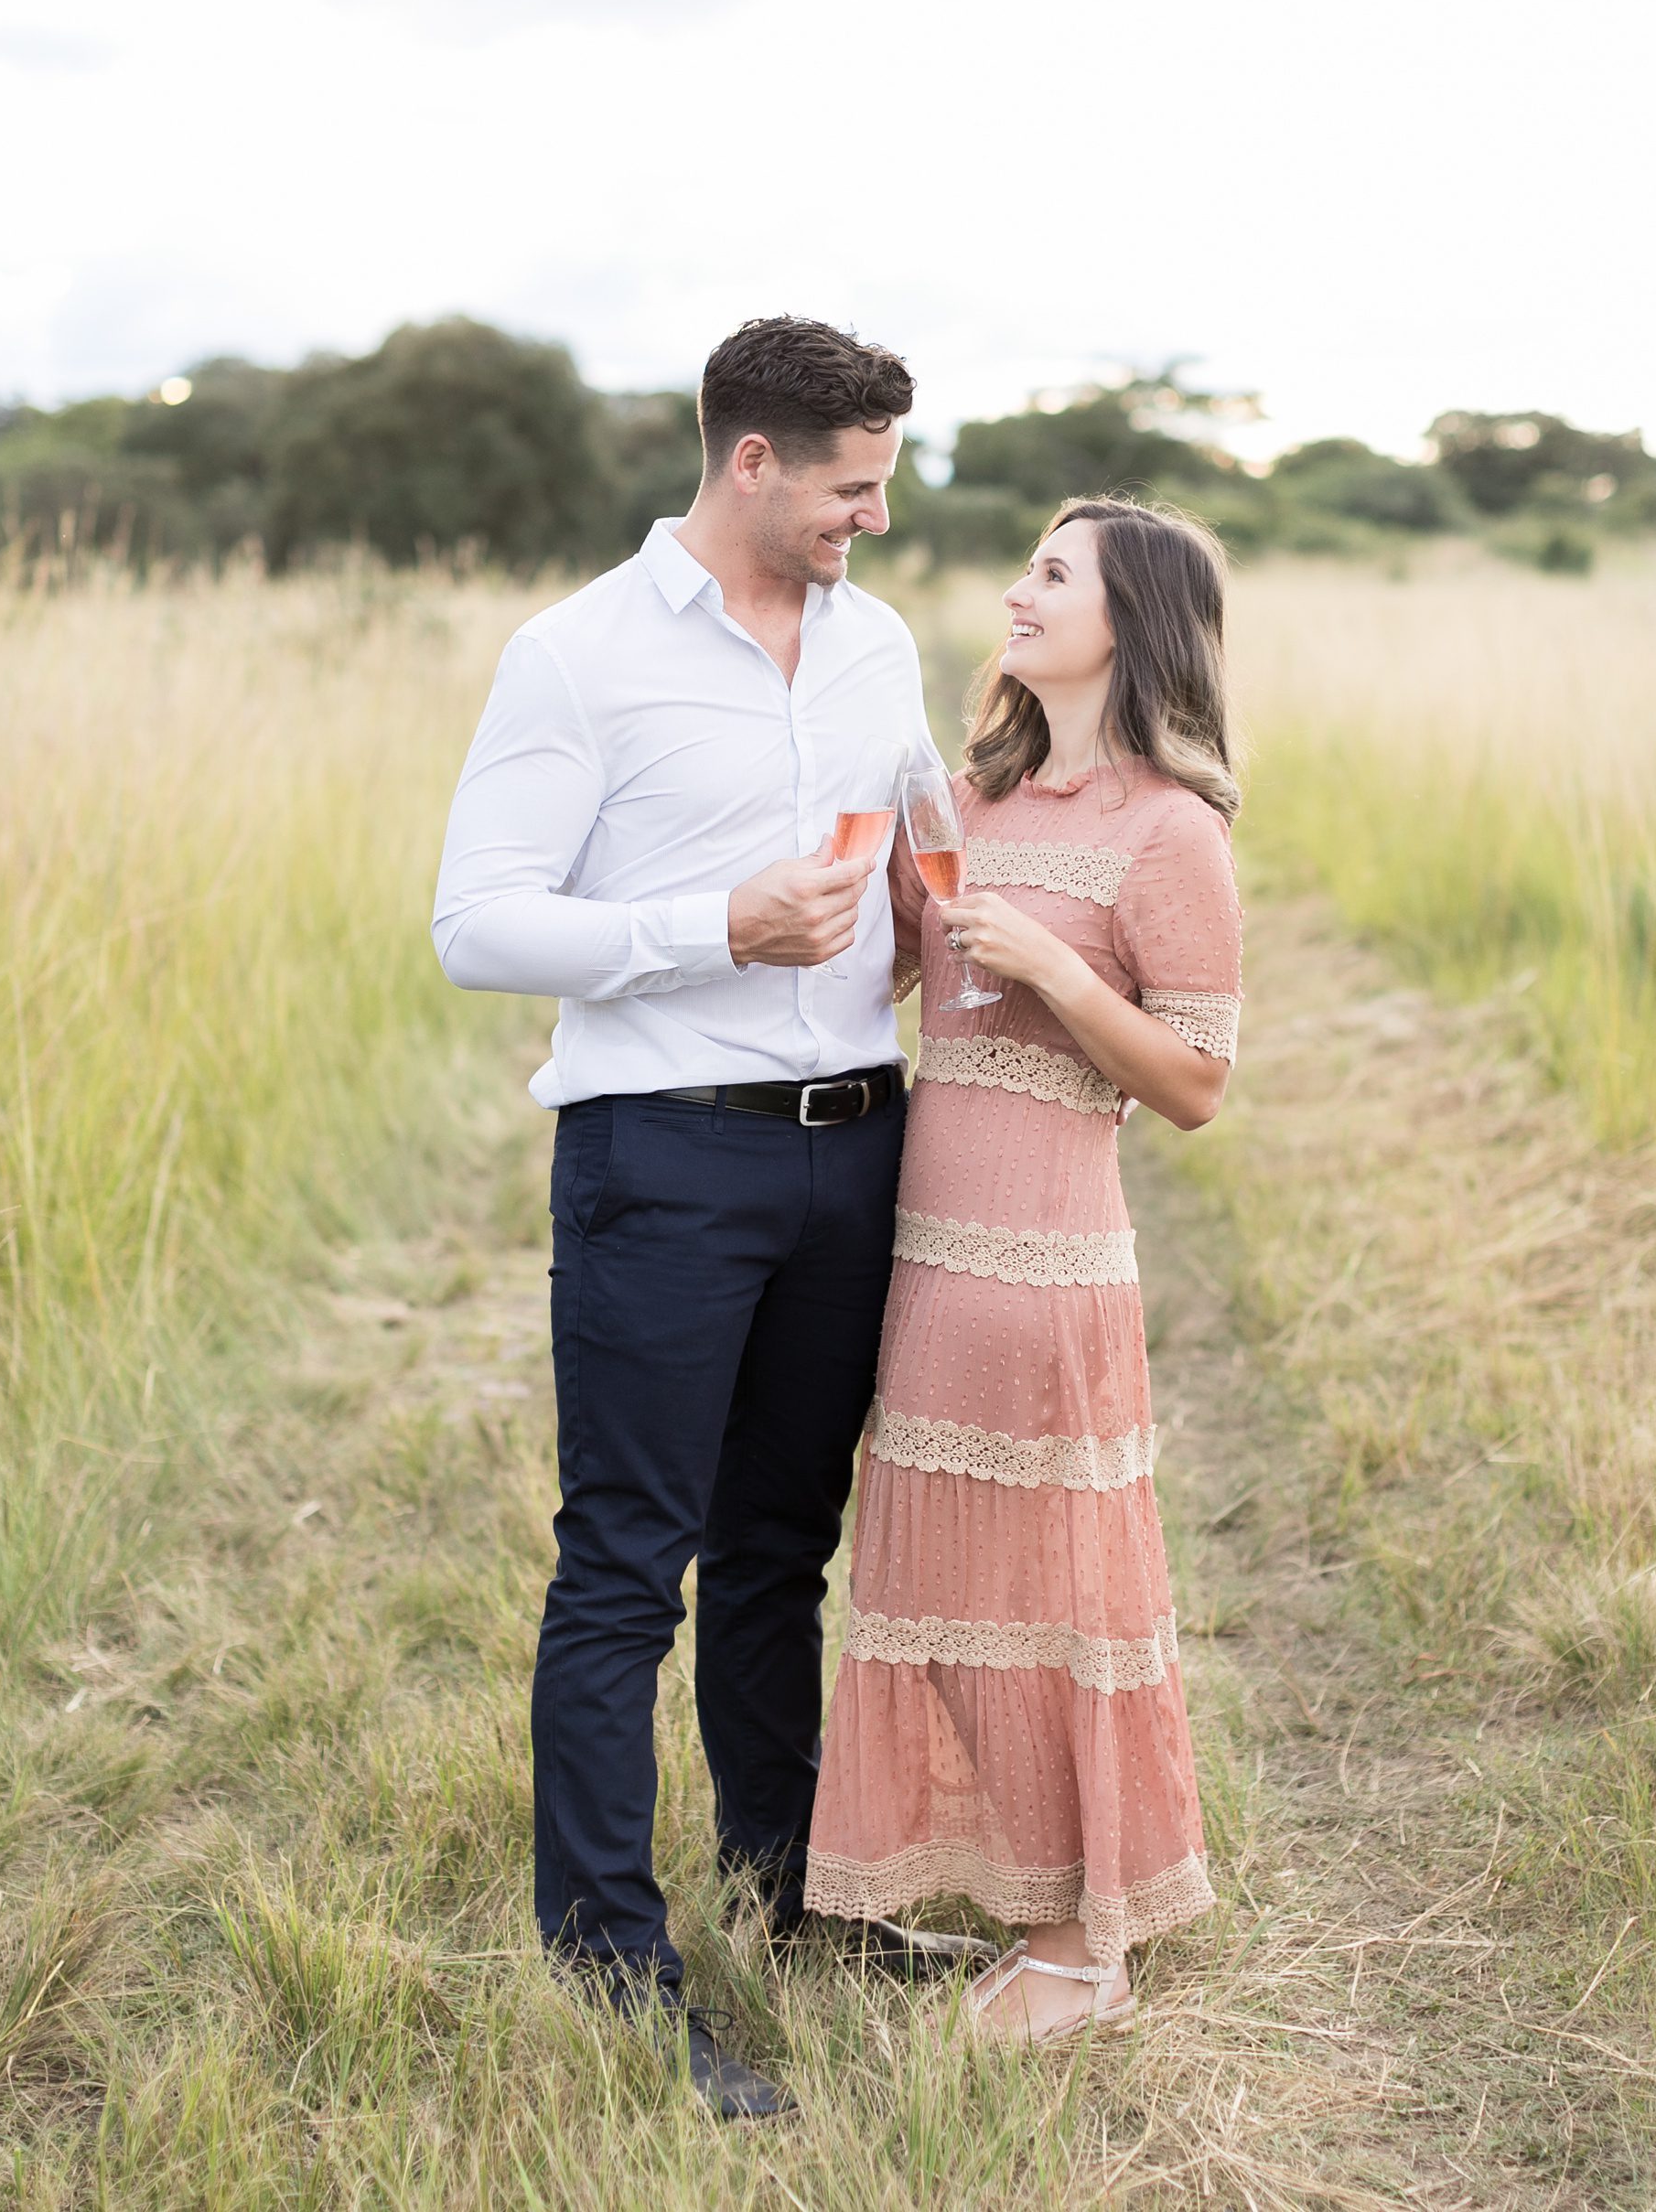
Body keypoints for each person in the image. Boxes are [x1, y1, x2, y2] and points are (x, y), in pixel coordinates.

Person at [431, 317, 984, 2121]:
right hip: (662, 1160)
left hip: (854, 1150)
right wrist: (704, 929)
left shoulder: (877, 638)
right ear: (751, 460)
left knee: (779, 1552)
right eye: (850, 488)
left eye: (881, 487)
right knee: (624, 1566)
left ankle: (793, 1896)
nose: (871, 522)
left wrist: (946, 903)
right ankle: (608, 1970)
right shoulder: (574, 659)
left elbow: (911, 833)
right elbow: (477, 924)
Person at [805, 495, 1242, 2044]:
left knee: (1047, 1602)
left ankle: (1080, 1947)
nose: (1016, 592)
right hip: (924, 1255)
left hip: (1047, 1267)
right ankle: (1035, 1901)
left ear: (1133, 618)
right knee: (933, 1589)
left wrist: (1060, 967)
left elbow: (1194, 1083)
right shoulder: (975, 805)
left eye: (1053, 574)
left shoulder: (1167, 829)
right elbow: (906, 981)